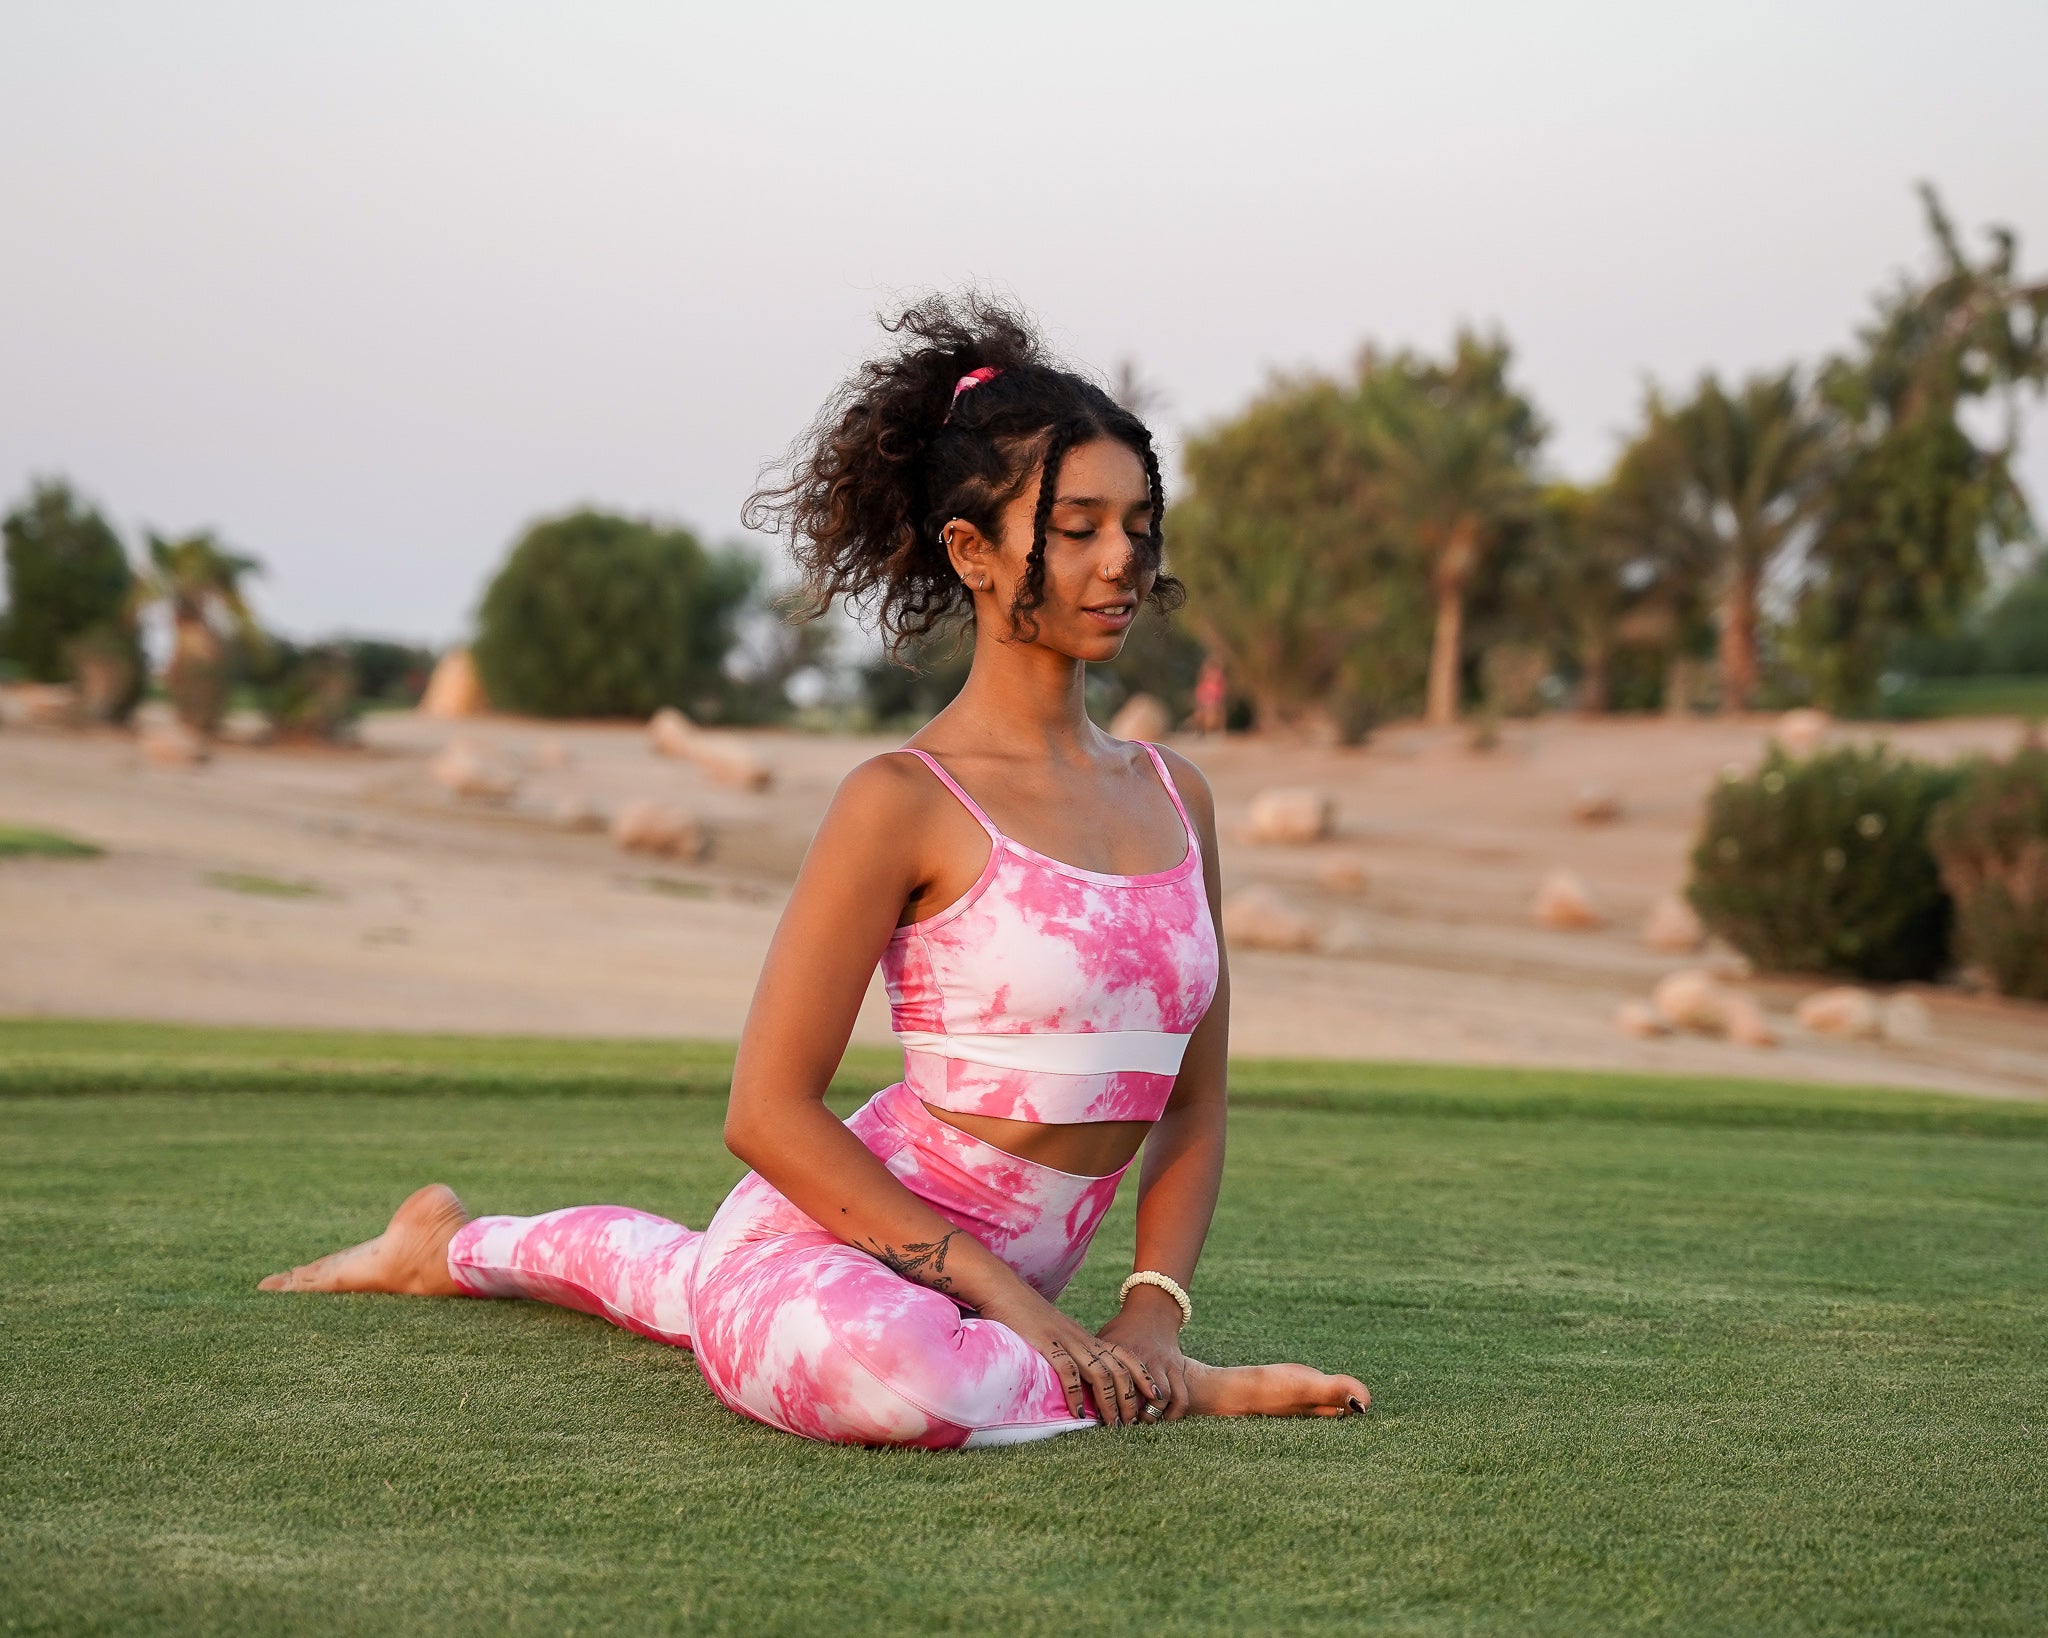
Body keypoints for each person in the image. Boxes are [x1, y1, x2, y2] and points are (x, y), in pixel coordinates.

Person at [260, 297, 1371, 1449]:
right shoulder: (902, 800)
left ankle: (443, 1245)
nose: (1120, 559)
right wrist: (1016, 1305)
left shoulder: (1176, 796)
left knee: (693, 1281)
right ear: (971, 552)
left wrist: (1148, 1319)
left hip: (980, 1289)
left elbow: (1191, 1101)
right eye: (1078, 526)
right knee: (887, 1367)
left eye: (1138, 525)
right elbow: (765, 1111)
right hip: (836, 1248)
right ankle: (1131, 1388)